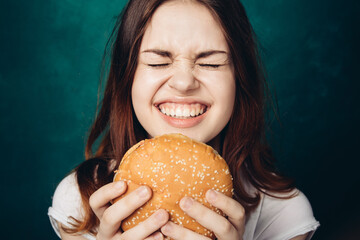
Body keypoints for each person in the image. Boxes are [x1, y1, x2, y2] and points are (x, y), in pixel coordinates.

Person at [48, 0, 320, 239]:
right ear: (128, 78)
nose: (183, 82)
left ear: (240, 78)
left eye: (211, 63)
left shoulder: (284, 215)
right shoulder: (79, 202)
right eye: (158, 62)